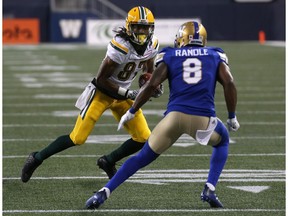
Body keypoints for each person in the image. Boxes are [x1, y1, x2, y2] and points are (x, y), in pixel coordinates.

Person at [85, 21, 240, 209]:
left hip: (173, 118)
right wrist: (232, 116)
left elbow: (151, 86)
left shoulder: (170, 54)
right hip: (203, 119)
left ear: (181, 38)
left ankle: (103, 193)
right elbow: (229, 83)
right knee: (222, 141)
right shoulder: (215, 54)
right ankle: (209, 188)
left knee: (141, 157)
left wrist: (132, 110)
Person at [21, 6, 163, 183]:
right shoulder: (121, 46)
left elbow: (148, 71)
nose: (141, 31)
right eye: (137, 27)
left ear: (151, 28)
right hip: (102, 94)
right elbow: (101, 79)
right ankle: (36, 158)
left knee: (143, 138)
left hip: (124, 97)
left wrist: (150, 85)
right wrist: (128, 92)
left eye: (145, 27)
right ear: (129, 27)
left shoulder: (152, 45)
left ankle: (108, 161)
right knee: (77, 138)